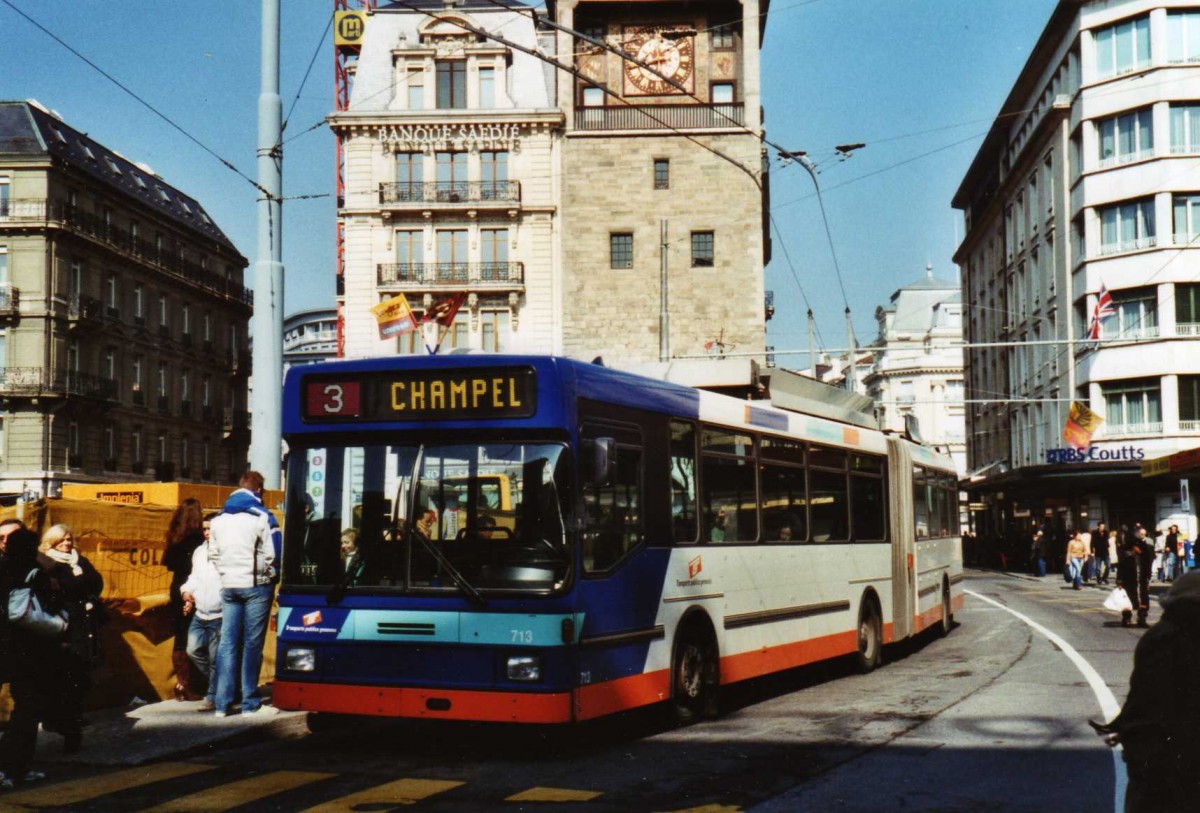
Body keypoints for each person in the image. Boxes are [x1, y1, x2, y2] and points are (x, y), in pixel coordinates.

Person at [1093, 571, 1200, 810]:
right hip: (1169, 761)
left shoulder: (1160, 637)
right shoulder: (1168, 639)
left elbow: (1142, 704)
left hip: (1162, 761)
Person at [208, 471, 280, 716]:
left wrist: (227, 573)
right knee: (251, 645)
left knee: (227, 644)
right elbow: (273, 553)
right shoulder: (262, 517)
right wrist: (267, 575)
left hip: (229, 585)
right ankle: (249, 702)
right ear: (258, 490)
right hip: (256, 585)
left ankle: (222, 704)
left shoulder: (218, 519)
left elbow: (213, 555)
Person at [0, 528, 68, 789]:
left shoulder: (4, 567)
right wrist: (60, 626)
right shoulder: (35, 573)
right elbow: (37, 612)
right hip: (31, 650)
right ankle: (13, 766)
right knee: (28, 710)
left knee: (24, 708)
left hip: (6, 646)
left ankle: (12, 766)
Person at [38, 524, 103, 753]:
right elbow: (67, 588)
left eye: (69, 540)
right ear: (52, 543)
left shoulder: (79, 560)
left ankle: (73, 716)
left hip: (84, 623)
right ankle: (66, 721)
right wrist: (80, 582)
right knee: (65, 672)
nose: (66, 544)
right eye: (62, 541)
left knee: (82, 669)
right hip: (64, 624)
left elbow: (98, 582)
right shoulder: (48, 563)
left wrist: (81, 583)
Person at [162, 498, 205, 701]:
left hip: (176, 588)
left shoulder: (174, 537)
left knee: (180, 637)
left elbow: (169, 565)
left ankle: (182, 684)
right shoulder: (200, 541)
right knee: (197, 637)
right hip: (195, 589)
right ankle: (194, 684)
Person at [180, 513, 223, 713]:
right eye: (204, 529)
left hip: (219, 614)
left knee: (215, 658)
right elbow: (194, 578)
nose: (206, 533)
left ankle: (213, 696)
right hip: (201, 613)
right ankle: (224, 685)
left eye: (210, 529)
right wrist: (187, 592)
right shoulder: (198, 552)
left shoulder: (225, 552)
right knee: (193, 650)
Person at [1117, 525, 1154, 628]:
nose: (1138, 548)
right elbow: (1121, 567)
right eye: (1136, 546)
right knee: (1128, 600)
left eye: (1139, 546)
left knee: (1144, 600)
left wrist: (1148, 579)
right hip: (1130, 581)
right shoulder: (1127, 555)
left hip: (1142, 580)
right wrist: (1119, 581)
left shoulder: (1144, 556)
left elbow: (1148, 566)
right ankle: (1127, 618)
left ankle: (1142, 618)